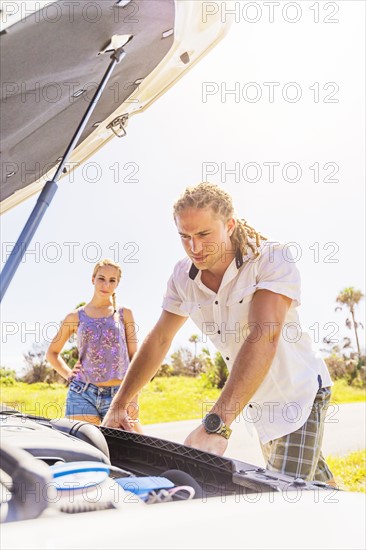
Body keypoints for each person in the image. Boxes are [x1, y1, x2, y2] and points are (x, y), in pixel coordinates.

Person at [103, 183, 334, 483]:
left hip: (297, 393)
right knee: (314, 483)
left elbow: (264, 335)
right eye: (184, 237)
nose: (194, 248)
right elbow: (160, 338)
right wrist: (121, 402)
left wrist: (216, 425)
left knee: (283, 496)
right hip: (255, 399)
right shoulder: (182, 278)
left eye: (203, 235)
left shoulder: (270, 258)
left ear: (229, 225)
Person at [47, 258, 141, 429]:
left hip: (119, 394)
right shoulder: (75, 317)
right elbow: (52, 353)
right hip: (82, 393)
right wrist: (69, 374)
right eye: (101, 278)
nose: (106, 284)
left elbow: (135, 356)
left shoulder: (124, 314)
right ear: (93, 279)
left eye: (112, 280)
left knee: (125, 450)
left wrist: (133, 393)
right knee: (84, 450)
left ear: (117, 284)